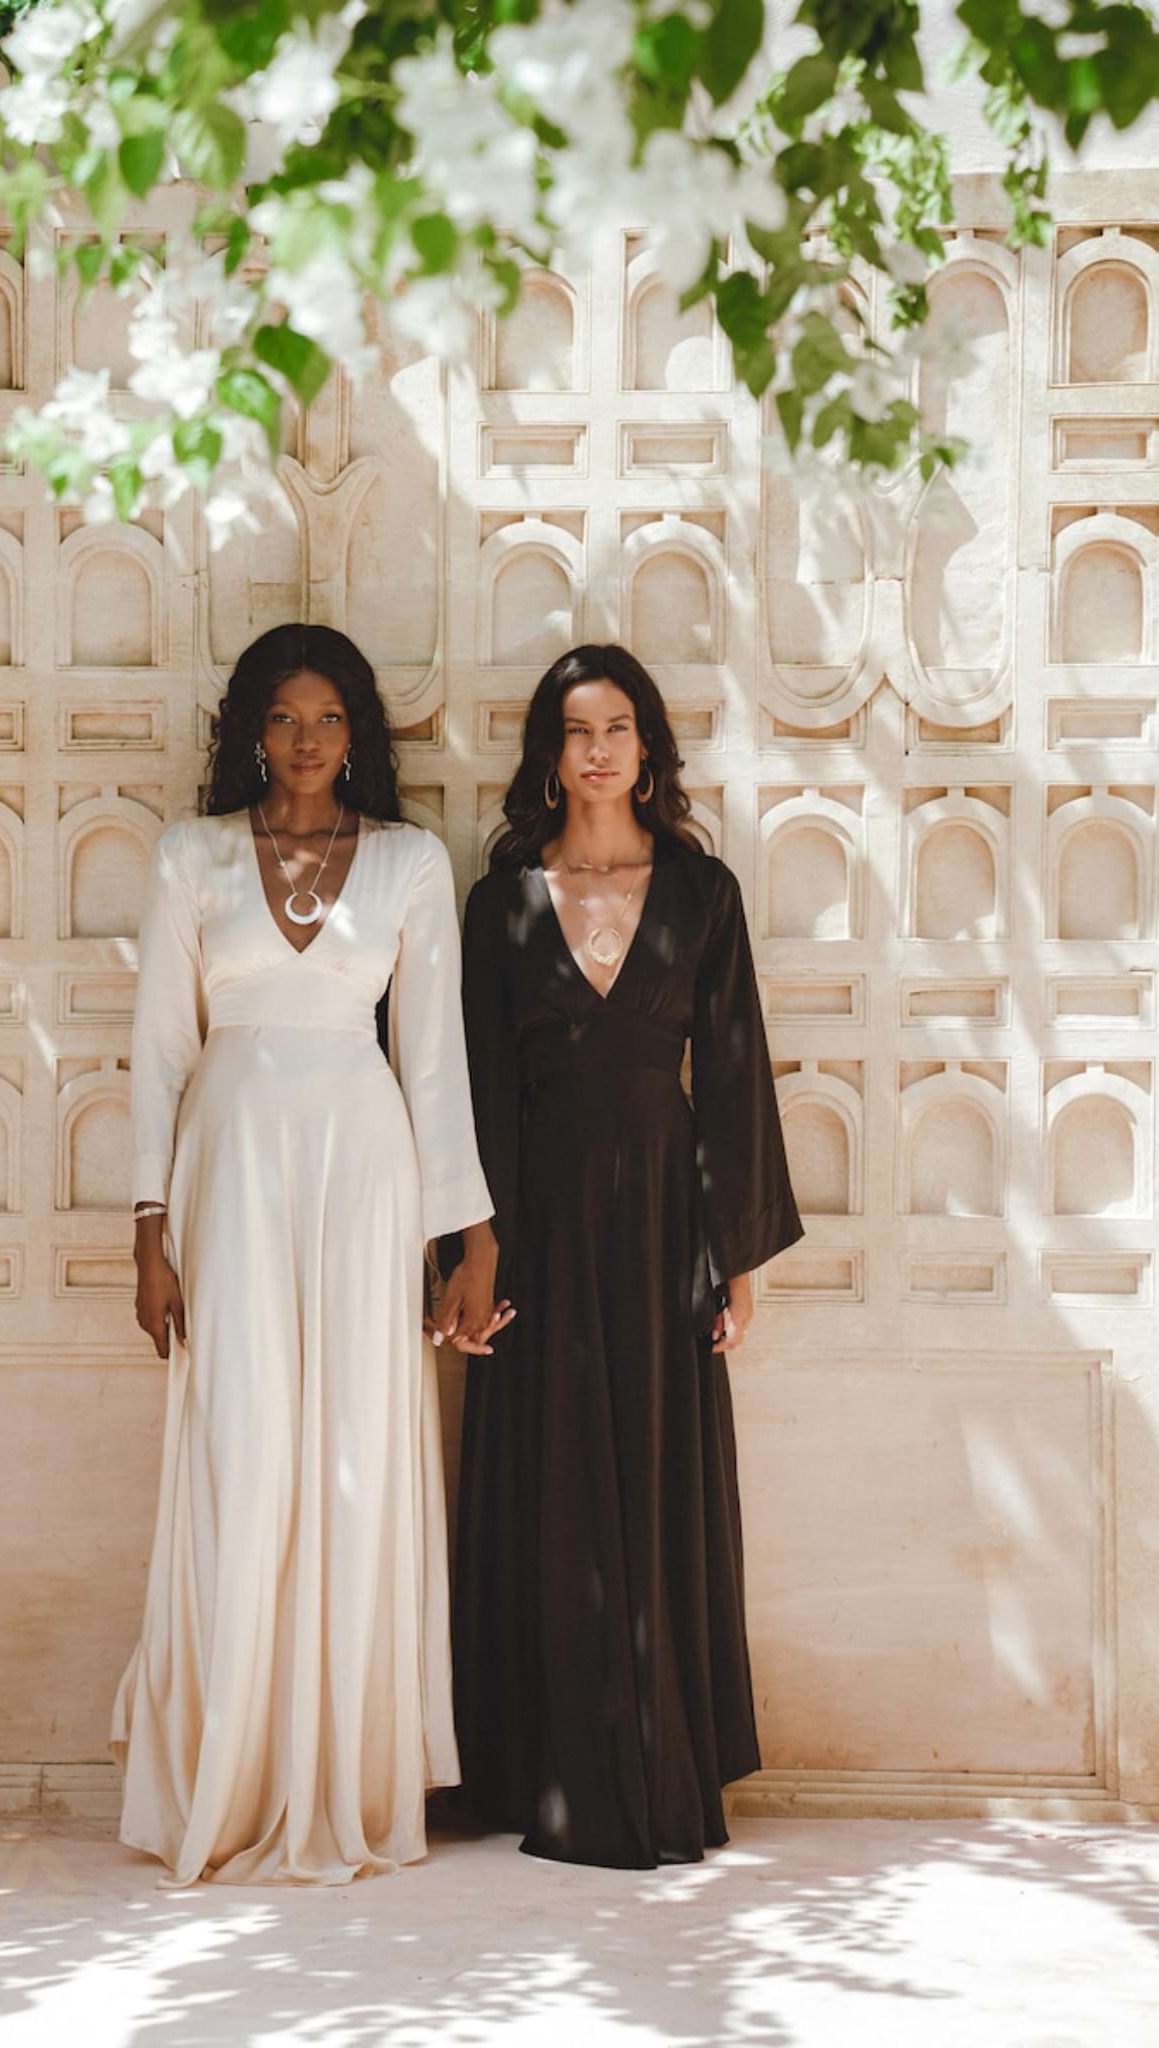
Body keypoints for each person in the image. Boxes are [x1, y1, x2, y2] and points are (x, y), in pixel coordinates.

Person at [111, 622, 508, 1887]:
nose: (305, 738)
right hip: (226, 1167)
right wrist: (148, 1227)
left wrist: (470, 1237)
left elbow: (433, 1058)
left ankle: (342, 1768)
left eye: (329, 717)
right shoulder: (190, 855)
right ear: (249, 728)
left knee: (351, 1446)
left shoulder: (408, 862)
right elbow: (160, 1051)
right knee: (240, 1443)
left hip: (361, 1169)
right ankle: (230, 1766)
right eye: (282, 715)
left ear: (358, 734)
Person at [449, 643, 802, 1869]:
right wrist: (474, 1249)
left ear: (647, 745)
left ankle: (655, 1753)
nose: (596, 750)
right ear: (548, 754)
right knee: (547, 1477)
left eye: (616, 727)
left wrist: (737, 1257)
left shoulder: (703, 892)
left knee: (654, 1472)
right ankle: (542, 1762)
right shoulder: (500, 902)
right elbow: (477, 1084)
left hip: (662, 1220)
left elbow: (736, 1075)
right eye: (575, 730)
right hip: (538, 1213)